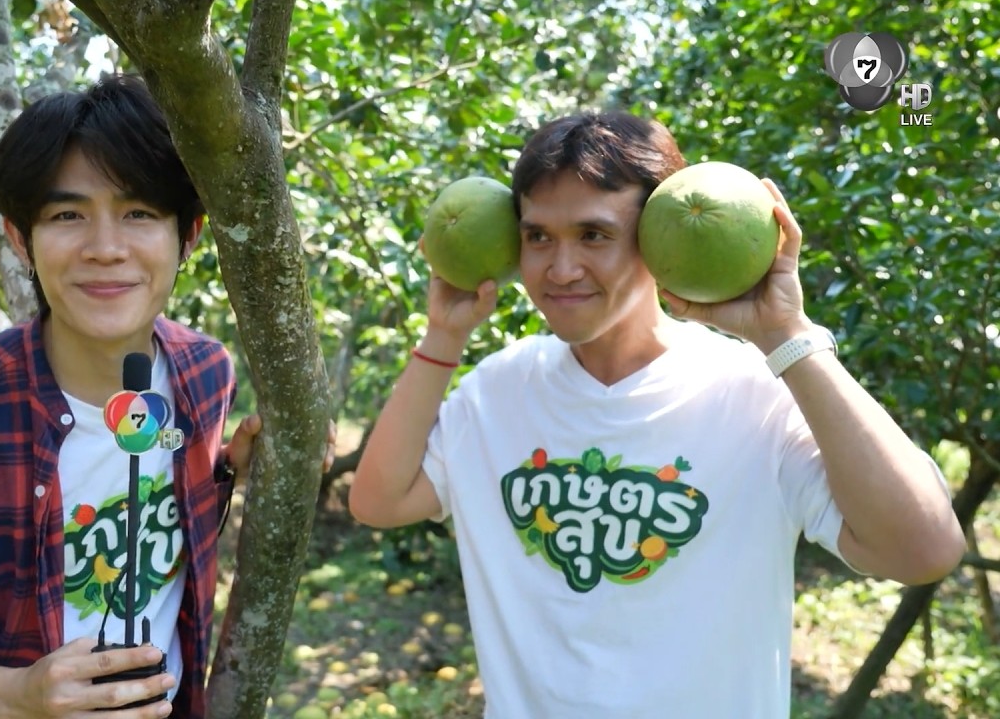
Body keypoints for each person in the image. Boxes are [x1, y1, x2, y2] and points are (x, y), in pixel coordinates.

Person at [349, 111, 965, 718]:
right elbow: (379, 501)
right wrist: (442, 338)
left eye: (594, 235)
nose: (560, 271)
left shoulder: (756, 393)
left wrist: (788, 335)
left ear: (657, 237)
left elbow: (924, 549)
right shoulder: (496, 392)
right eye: (539, 236)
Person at [0, 74, 331, 719]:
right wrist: (13, 694)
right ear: (21, 238)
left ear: (189, 235)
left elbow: (145, 507)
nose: (105, 248)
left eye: (140, 214)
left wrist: (230, 474)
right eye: (68, 215)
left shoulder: (206, 373)